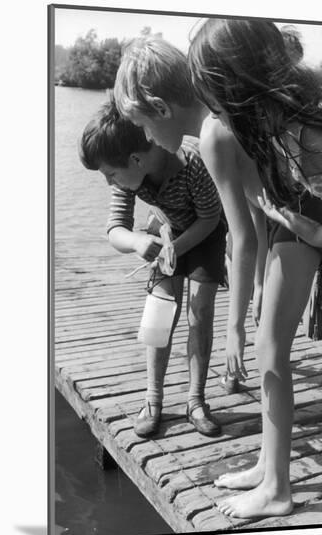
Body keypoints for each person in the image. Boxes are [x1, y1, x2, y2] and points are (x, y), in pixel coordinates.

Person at [113, 29, 322, 520]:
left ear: (160, 107)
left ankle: (277, 487)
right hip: (292, 221)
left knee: (267, 350)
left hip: (301, 223)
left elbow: (242, 236)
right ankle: (268, 465)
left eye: (144, 127)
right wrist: (256, 287)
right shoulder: (218, 123)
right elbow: (257, 202)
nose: (147, 139)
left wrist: (233, 325)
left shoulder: (212, 133)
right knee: (269, 350)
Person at [188, 19, 322, 523]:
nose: (213, 115)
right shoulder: (294, 118)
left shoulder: (306, 129)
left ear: (237, 90)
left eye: (214, 100)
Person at [79, 96, 227, 438]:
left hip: (205, 234)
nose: (109, 182)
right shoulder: (127, 176)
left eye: (110, 173)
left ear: (134, 159)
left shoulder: (192, 161)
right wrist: (137, 242)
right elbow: (115, 230)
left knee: (199, 312)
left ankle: (196, 400)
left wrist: (175, 249)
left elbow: (209, 218)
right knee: (160, 313)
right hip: (164, 233)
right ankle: (153, 399)